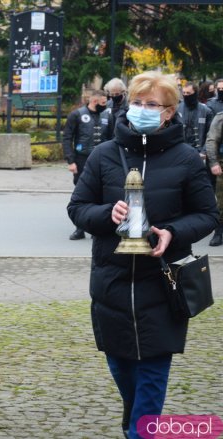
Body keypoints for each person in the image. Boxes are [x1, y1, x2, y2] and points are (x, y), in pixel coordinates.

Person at [68, 71, 218, 439]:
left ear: (168, 112)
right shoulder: (105, 154)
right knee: (122, 367)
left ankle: (141, 430)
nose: (142, 109)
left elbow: (208, 215)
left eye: (152, 104)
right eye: (137, 102)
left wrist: (173, 231)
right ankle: (136, 419)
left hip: (164, 283)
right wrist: (108, 214)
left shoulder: (186, 159)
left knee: (152, 370)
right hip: (112, 281)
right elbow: (78, 207)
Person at [62, 89, 112, 240]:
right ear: (94, 101)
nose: (106, 105)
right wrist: (70, 160)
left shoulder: (107, 115)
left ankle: (99, 226)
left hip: (103, 159)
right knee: (82, 193)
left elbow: (112, 137)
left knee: (103, 192)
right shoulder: (77, 115)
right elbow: (67, 138)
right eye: (103, 102)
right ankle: (80, 228)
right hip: (82, 159)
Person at [176, 81, 213, 155]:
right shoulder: (177, 109)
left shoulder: (206, 111)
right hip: (181, 151)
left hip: (199, 152)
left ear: (195, 93)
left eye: (188, 93)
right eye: (184, 93)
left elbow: (210, 135)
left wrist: (204, 151)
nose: (185, 95)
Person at [204, 111, 223, 246]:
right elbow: (212, 140)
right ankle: (218, 232)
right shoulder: (221, 117)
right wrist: (214, 162)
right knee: (221, 201)